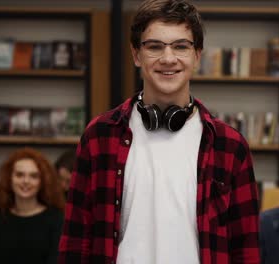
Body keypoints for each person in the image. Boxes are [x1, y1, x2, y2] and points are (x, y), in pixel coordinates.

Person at [57, 0, 260, 263]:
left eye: (181, 46)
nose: (168, 58)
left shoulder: (230, 146)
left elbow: (245, 249)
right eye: (154, 46)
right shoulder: (99, 136)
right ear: (136, 55)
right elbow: (76, 239)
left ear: (197, 56)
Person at [0, 147, 65, 264]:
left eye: (34, 176)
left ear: (43, 181)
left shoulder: (57, 220)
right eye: (19, 175)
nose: (26, 181)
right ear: (9, 179)